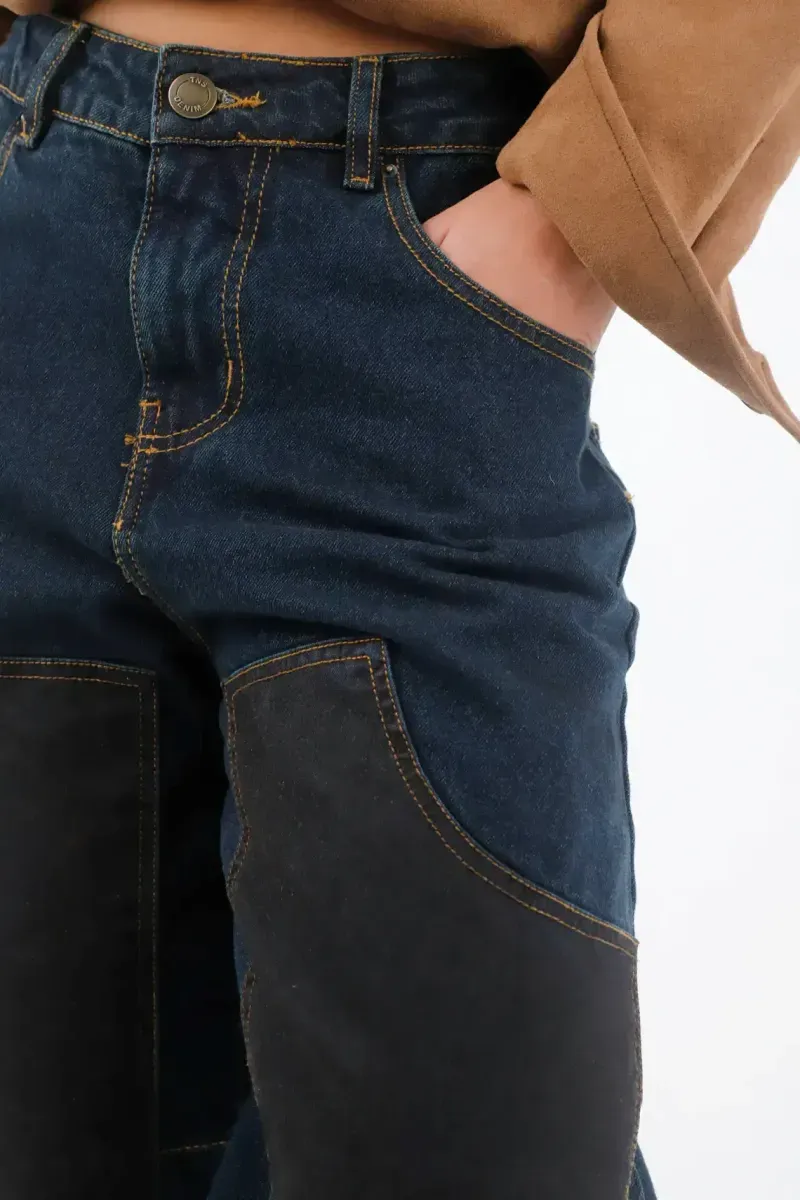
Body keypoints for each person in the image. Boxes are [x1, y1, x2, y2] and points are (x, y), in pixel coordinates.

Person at [0, 2, 797, 1198]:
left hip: (410, 257)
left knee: (467, 1138)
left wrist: (575, 217)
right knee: (55, 1130)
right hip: (40, 212)